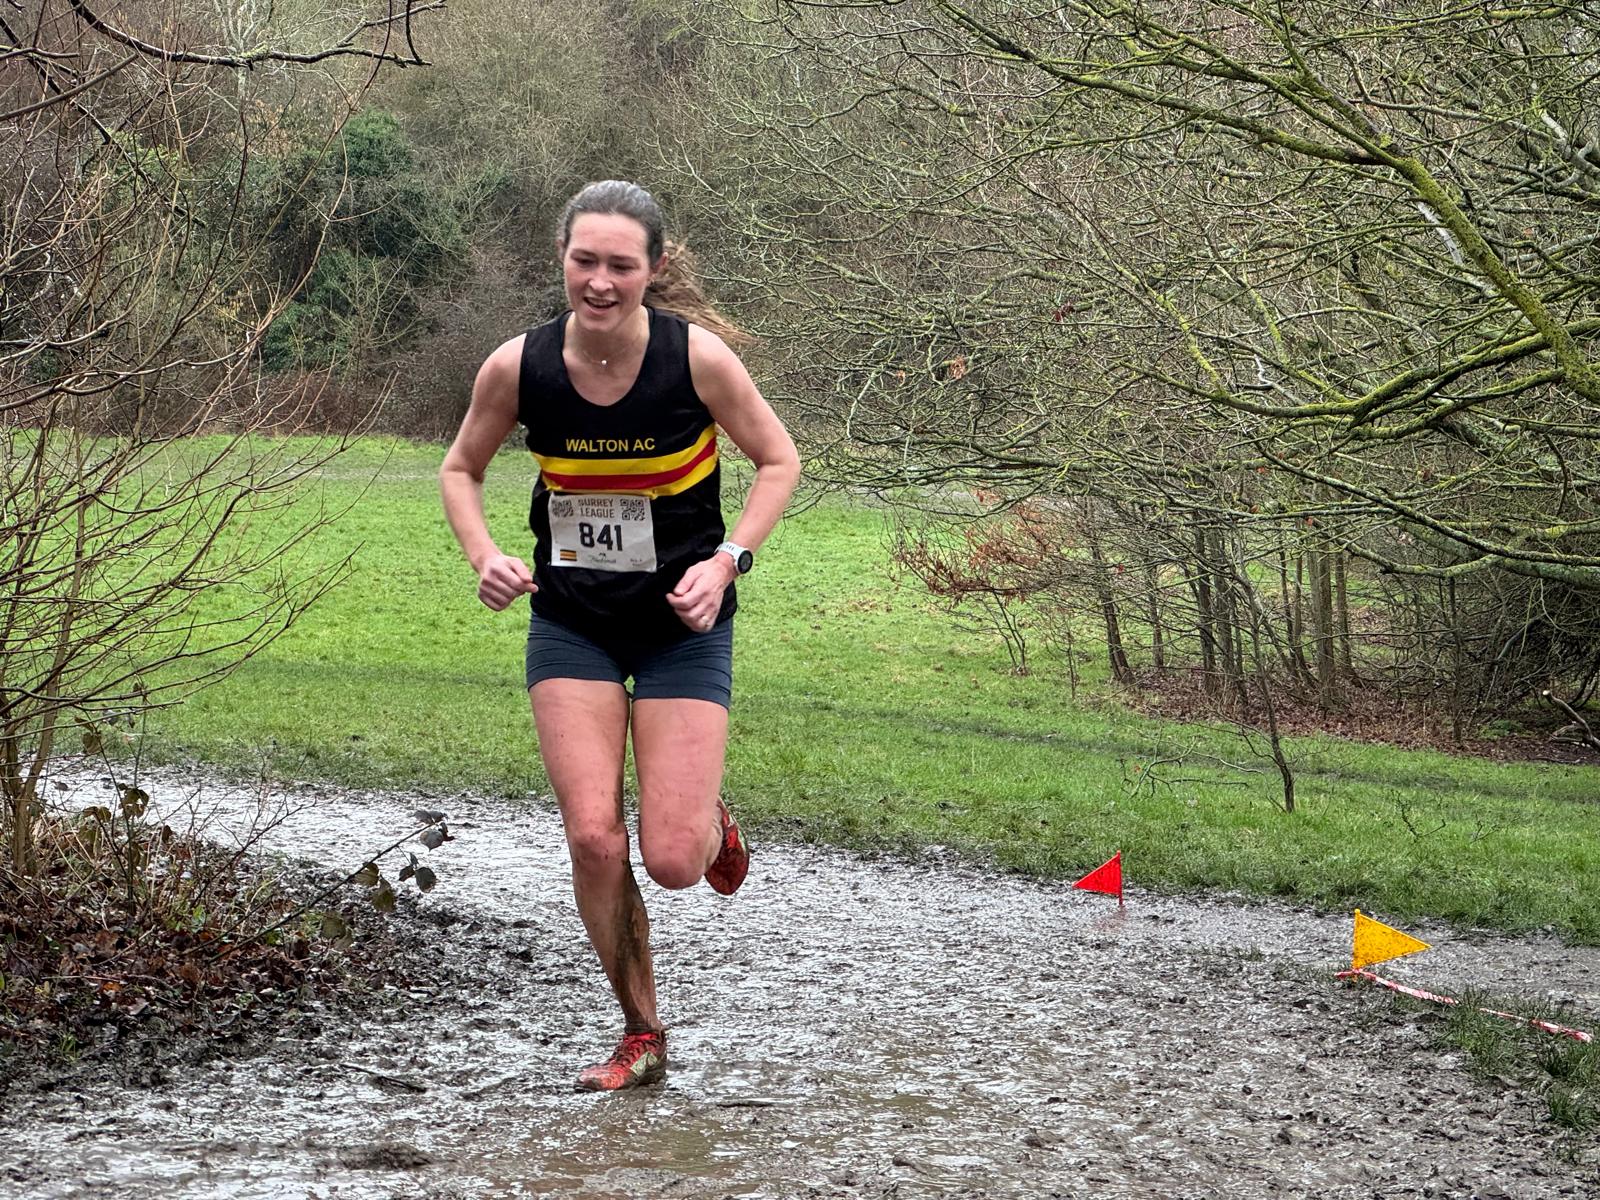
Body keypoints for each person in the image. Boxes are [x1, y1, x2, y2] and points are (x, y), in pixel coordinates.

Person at [439, 180, 800, 1092]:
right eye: (584, 261)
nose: (599, 281)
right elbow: (460, 468)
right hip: (574, 624)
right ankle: (642, 1032)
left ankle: (707, 819)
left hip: (682, 625)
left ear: (655, 268)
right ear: (562, 259)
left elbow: (778, 460)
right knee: (596, 839)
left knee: (672, 859)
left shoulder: (697, 360)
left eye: (620, 265)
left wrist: (727, 562)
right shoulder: (518, 367)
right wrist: (485, 555)